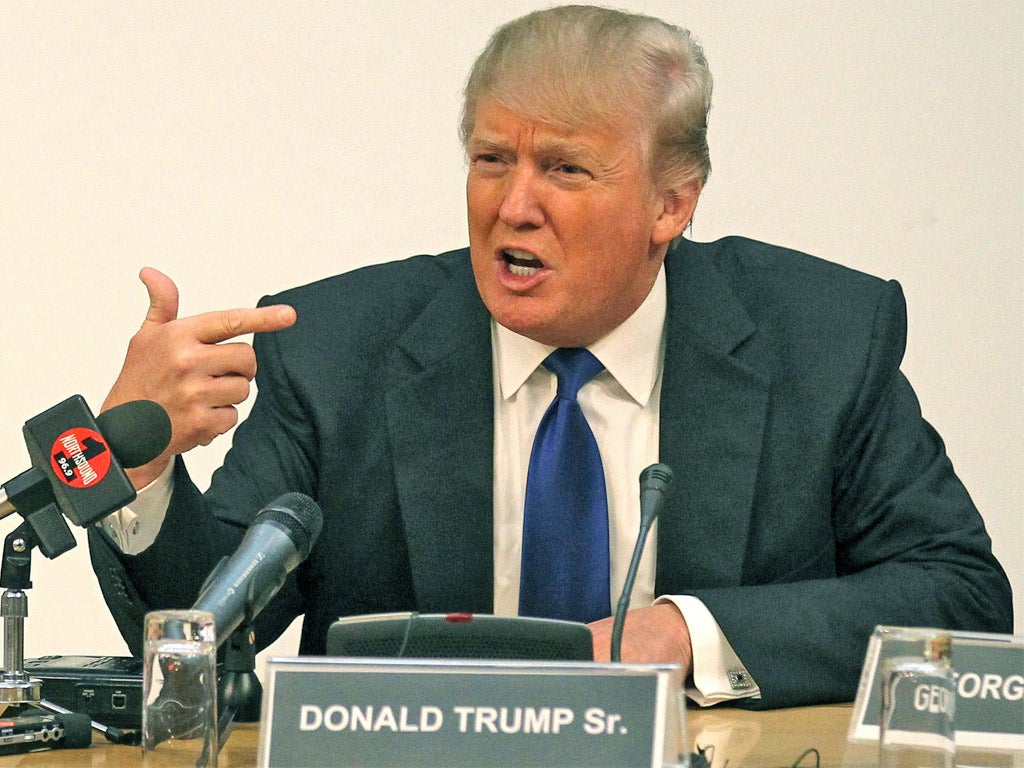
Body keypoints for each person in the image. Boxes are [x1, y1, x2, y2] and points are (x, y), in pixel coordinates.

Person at [88, 5, 1011, 710]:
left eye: (566, 169)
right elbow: (201, 638)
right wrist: (140, 468)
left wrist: (684, 633)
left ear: (670, 206)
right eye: (493, 160)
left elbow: (957, 596)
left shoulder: (820, 336)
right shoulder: (341, 347)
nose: (513, 206)